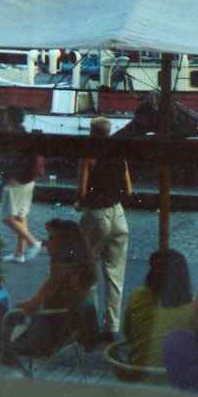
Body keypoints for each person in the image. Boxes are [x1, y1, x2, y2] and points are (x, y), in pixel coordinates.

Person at [5, 219, 98, 358]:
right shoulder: (81, 267)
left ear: (64, 244)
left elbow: (33, 304)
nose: (44, 243)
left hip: (49, 336)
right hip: (72, 329)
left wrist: (17, 308)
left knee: (9, 318)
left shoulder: (62, 272)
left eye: (50, 238)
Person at [75, 116, 132, 342]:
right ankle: (112, 327)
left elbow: (81, 192)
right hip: (118, 215)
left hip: (96, 215)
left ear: (91, 132)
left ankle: (89, 327)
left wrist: (81, 201)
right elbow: (129, 190)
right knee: (115, 274)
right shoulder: (120, 154)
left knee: (88, 271)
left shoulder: (88, 156)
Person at [123, 249, 195, 368]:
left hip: (139, 372)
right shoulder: (193, 308)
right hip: (178, 376)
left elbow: (129, 335)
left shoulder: (137, 296)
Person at [0, 106, 44, 263]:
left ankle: (33, 242)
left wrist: (11, 175)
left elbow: (11, 159)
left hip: (16, 181)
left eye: (5, 115)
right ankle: (20, 253)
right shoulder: (24, 133)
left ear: (9, 118)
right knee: (21, 215)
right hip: (28, 180)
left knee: (7, 218)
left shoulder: (13, 135)